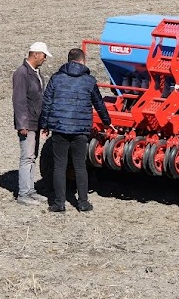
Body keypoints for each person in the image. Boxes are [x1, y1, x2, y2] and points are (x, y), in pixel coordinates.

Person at [40, 48, 114, 213]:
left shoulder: (56, 79)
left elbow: (46, 102)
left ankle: (59, 203)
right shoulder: (89, 81)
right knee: (80, 165)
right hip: (80, 130)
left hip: (59, 128)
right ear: (83, 61)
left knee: (59, 165)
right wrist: (107, 122)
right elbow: (99, 104)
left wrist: (44, 125)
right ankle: (83, 203)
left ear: (68, 60)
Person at [12, 41, 53, 206]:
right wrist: (22, 124)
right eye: (44, 55)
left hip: (35, 122)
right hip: (27, 123)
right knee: (27, 157)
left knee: (32, 157)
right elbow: (19, 101)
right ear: (35, 54)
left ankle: (30, 190)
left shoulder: (36, 73)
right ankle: (23, 194)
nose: (45, 59)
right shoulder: (21, 73)